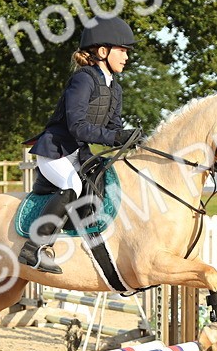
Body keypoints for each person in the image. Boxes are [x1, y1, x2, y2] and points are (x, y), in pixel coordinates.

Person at [19, 16, 145, 273]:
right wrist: (114, 137)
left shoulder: (115, 88)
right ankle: (34, 248)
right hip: (55, 150)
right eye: (122, 51)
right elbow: (77, 126)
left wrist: (130, 138)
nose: (126, 57)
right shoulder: (83, 79)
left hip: (78, 153)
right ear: (102, 51)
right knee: (72, 185)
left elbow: (113, 128)